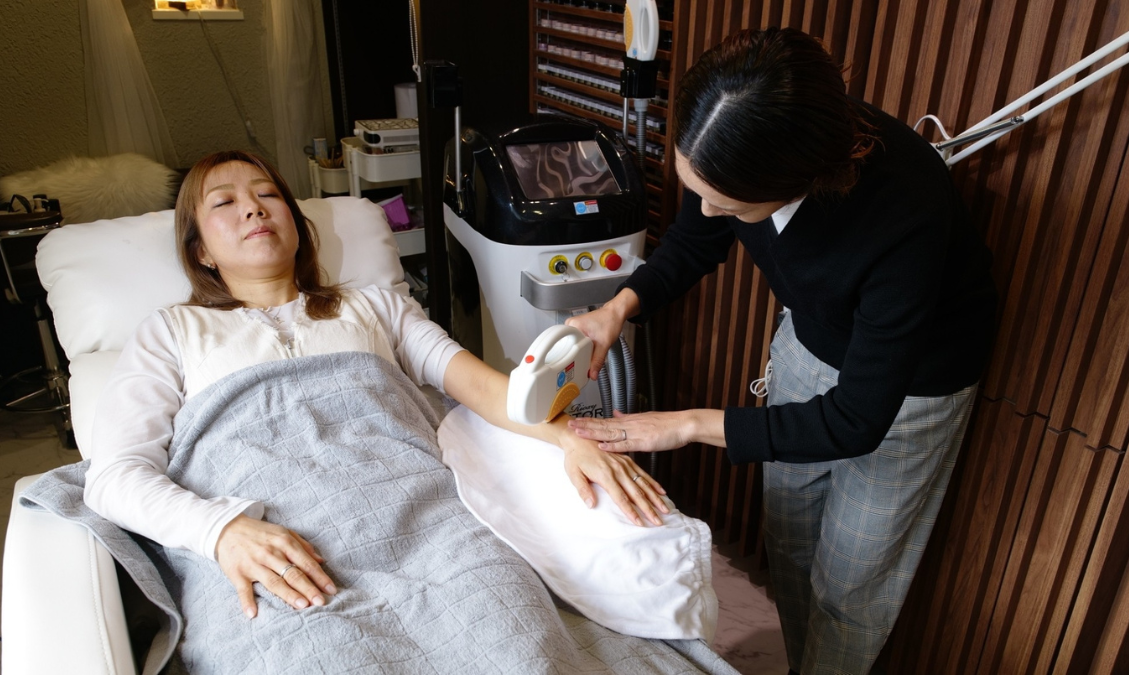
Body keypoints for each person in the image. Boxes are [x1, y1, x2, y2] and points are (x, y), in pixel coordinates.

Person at [566, 28, 997, 675]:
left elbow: (857, 419)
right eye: (698, 188)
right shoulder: (733, 144)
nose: (707, 208)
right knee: (789, 540)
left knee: (848, 587)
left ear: (795, 183)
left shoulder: (905, 211)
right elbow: (695, 238)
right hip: (810, 335)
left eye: (726, 203)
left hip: (909, 386)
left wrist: (688, 424)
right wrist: (618, 307)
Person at [83, 149, 668, 620]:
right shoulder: (171, 331)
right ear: (201, 251)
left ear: (297, 225)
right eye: (225, 202)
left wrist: (567, 438)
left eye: (268, 196)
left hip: (423, 519)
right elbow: (114, 475)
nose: (254, 209)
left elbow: (480, 386)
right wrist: (222, 533)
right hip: (279, 548)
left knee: (504, 611)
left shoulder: (374, 306)